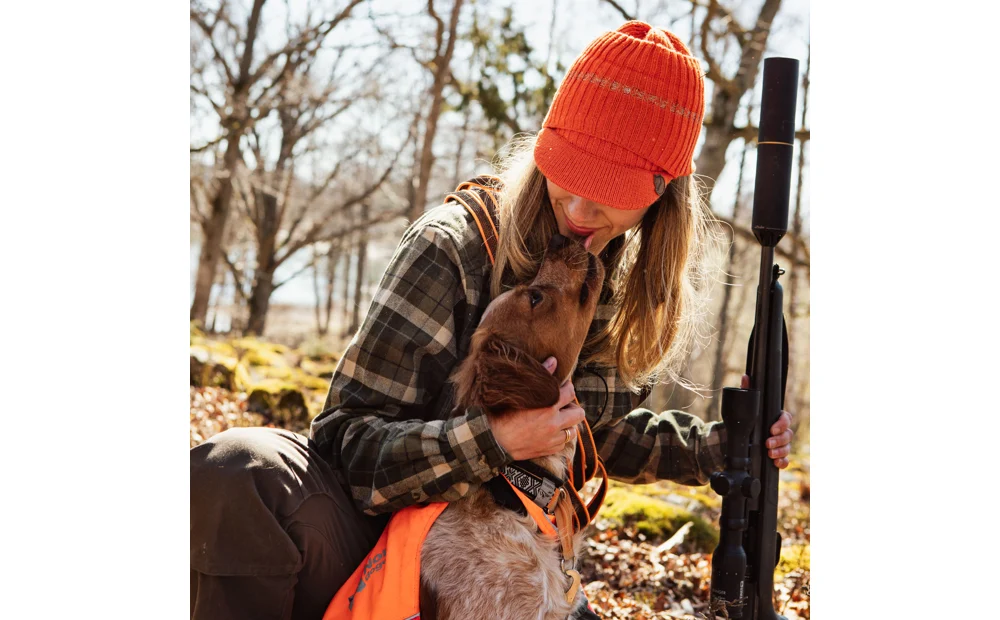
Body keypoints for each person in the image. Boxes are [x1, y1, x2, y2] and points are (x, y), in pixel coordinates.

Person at [190, 20, 795, 620]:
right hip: (365, 545)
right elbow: (345, 444)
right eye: (570, 174)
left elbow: (589, 429)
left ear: (663, 192)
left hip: (497, 563)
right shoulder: (450, 247)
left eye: (608, 189)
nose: (580, 210)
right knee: (241, 472)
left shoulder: (611, 279)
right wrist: (495, 441)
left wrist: (724, 447)